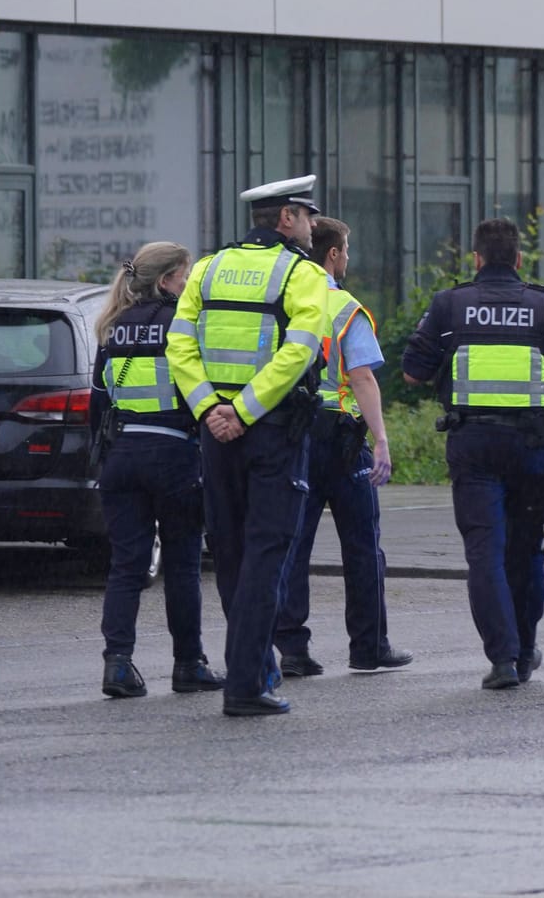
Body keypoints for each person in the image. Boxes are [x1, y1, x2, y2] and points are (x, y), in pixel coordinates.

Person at [402, 218, 544, 690]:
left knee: (484, 555)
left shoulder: (450, 304)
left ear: (475, 259)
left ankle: (503, 660)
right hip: (531, 447)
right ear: (517, 260)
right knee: (526, 551)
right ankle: (527, 647)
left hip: (472, 447)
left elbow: (412, 373)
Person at [167, 174, 331, 718]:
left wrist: (210, 409)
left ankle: (254, 669)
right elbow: (301, 350)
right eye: (307, 215)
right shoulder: (301, 273)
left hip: (216, 435)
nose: (312, 225)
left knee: (233, 554)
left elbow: (180, 345)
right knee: (266, 555)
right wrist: (243, 411)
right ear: (286, 218)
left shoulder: (209, 268)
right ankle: (246, 684)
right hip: (272, 432)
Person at [274, 216, 412, 678]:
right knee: (361, 545)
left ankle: (292, 649)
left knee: (295, 542)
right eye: (346, 251)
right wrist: (382, 440)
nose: (348, 259)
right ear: (332, 254)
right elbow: (362, 376)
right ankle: (368, 647)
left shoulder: (287, 300)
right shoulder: (344, 307)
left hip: (295, 432)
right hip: (343, 435)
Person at [93, 241, 224, 700]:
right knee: (184, 567)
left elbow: (98, 404)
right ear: (168, 280)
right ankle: (189, 664)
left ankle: (118, 665)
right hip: (173, 456)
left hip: (122, 458)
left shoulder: (110, 326)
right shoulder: (183, 325)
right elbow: (198, 393)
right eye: (185, 275)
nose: (189, 283)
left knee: (126, 567)